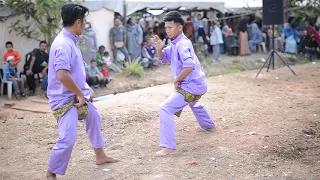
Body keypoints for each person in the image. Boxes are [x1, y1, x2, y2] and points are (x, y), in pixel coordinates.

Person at [46, 4, 119, 180]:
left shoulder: (70, 40)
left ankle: (100, 156)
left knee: (93, 117)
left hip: (75, 94)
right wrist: (80, 93)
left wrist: (85, 91)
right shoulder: (63, 44)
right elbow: (62, 75)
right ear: (78, 22)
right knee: (68, 138)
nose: (86, 24)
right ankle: (51, 173)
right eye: (85, 21)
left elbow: (75, 72)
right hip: (64, 99)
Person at [154, 11, 215, 156]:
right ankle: (208, 125)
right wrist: (158, 49)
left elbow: (189, 66)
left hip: (191, 87)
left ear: (179, 27)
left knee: (165, 109)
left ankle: (168, 147)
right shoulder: (175, 43)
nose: (167, 30)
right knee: (194, 103)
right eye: (166, 28)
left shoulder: (182, 44)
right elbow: (163, 58)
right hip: (196, 85)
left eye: (170, 27)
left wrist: (177, 80)